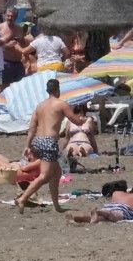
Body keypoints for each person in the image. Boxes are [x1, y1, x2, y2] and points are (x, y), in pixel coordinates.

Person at [18, 79, 81, 212]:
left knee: (56, 172)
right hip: (48, 142)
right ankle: (23, 198)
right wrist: (86, 120)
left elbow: (32, 127)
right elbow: (76, 121)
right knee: (45, 175)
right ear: (58, 90)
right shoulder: (61, 104)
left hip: (37, 141)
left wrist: (27, 145)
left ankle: (57, 206)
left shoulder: (40, 106)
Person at [68, 180, 133, 224]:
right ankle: (100, 212)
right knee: (113, 216)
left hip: (108, 207)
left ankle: (78, 216)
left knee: (101, 218)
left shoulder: (117, 193)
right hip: (122, 210)